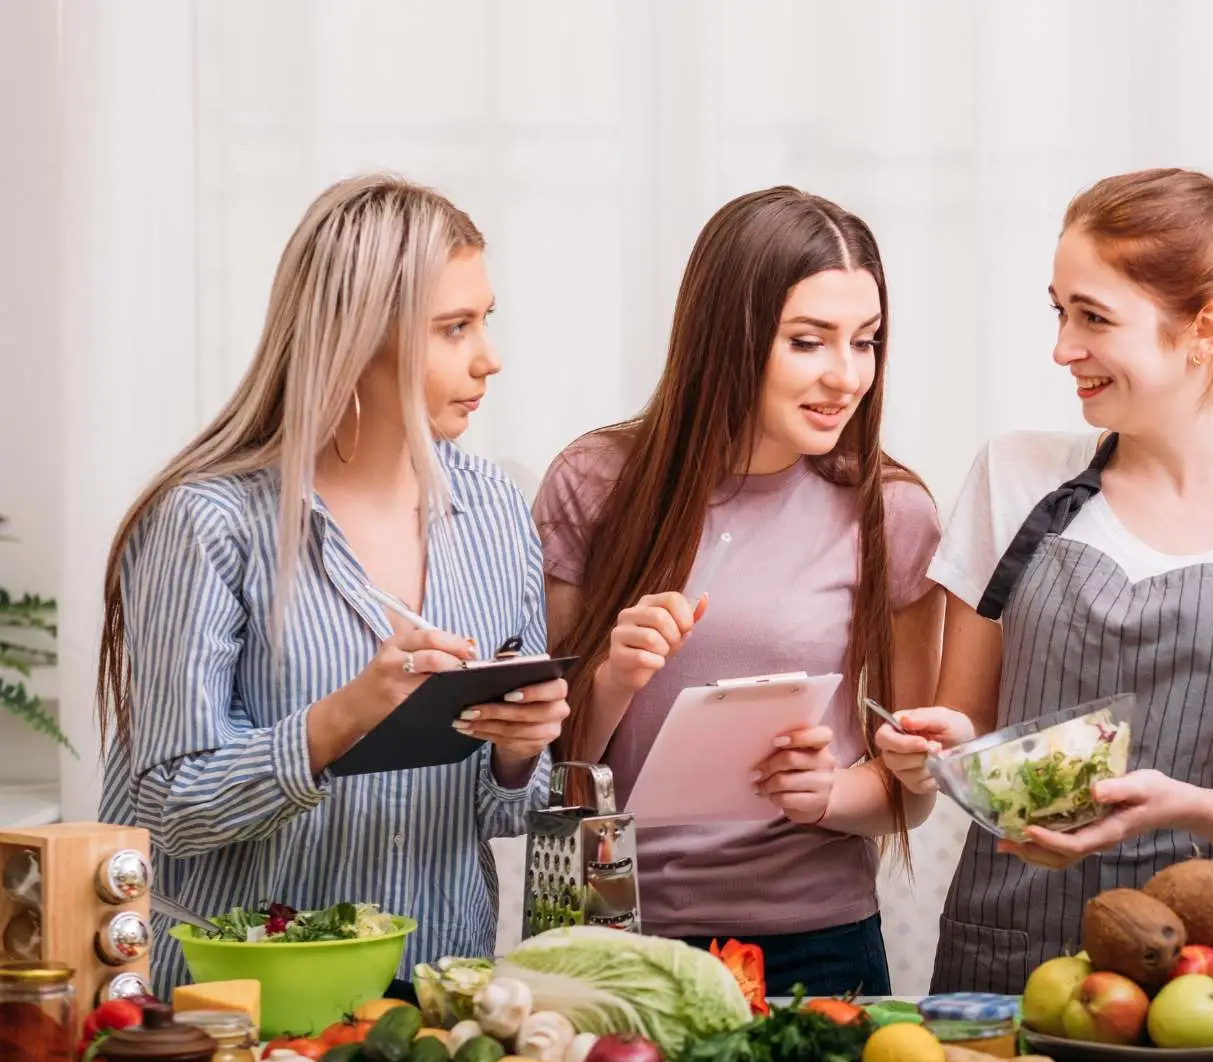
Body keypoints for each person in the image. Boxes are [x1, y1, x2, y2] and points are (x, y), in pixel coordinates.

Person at [877, 165, 1213, 995]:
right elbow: (970, 723)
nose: (1063, 348)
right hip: (1008, 962)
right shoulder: (1015, 478)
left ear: (1203, 328)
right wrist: (930, 751)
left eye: (1093, 317)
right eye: (1059, 311)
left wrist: (1178, 804)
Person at [97, 174, 565, 993]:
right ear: (358, 338)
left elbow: (509, 819)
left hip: (431, 1004)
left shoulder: (495, 510)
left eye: (485, 321)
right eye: (454, 329)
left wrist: (522, 757)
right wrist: (339, 721)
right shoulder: (209, 522)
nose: (489, 358)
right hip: (241, 1011)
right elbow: (164, 804)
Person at [533, 186, 943, 997]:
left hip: (817, 946)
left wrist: (829, 795)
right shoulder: (595, 483)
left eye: (865, 342)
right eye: (808, 342)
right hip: (616, 936)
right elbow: (546, 764)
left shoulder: (891, 512)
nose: (846, 375)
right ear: (731, 336)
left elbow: (909, 785)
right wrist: (614, 676)